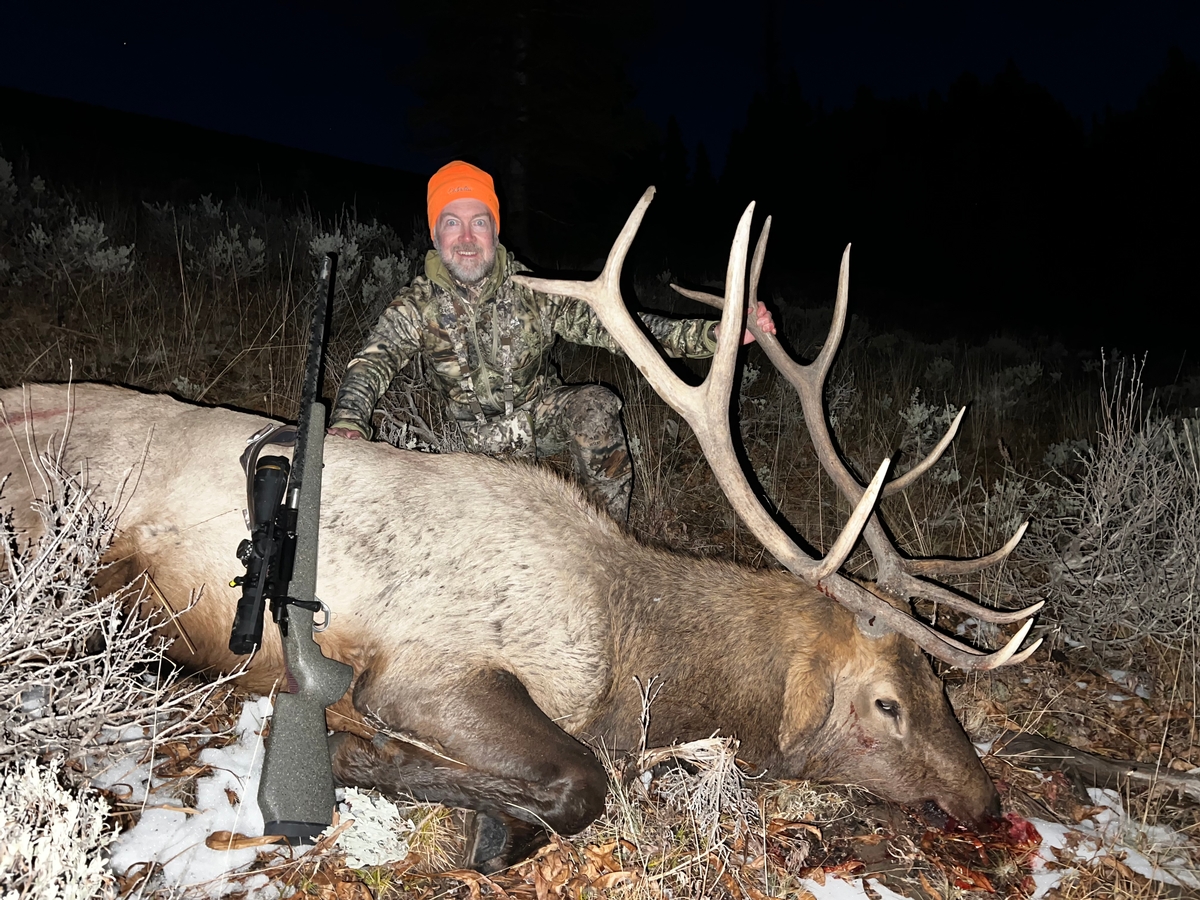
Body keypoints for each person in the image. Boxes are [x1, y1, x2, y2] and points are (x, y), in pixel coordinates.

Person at [328, 160, 775, 522]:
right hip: (464, 447)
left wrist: (716, 334)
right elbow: (372, 362)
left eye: (478, 222)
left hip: (536, 424)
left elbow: (624, 330)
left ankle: (611, 541)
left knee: (595, 405)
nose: (466, 238)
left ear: (495, 230)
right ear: (434, 234)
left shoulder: (535, 292)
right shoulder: (417, 304)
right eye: (452, 223)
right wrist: (348, 420)